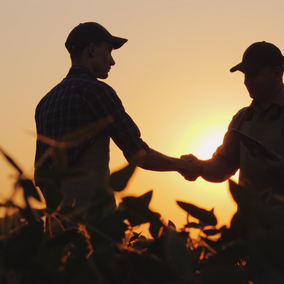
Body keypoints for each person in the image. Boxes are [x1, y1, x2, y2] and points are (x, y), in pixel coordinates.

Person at [34, 22, 201, 208]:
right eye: (109, 51)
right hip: (93, 219)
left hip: (57, 224)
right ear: (92, 49)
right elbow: (138, 153)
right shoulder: (96, 91)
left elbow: (41, 175)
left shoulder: (45, 102)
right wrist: (184, 166)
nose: (112, 61)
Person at [182, 41, 284, 205]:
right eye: (245, 75)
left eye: (254, 74)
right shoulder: (242, 118)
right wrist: (198, 167)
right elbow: (224, 166)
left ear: (276, 73)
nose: (247, 81)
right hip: (251, 223)